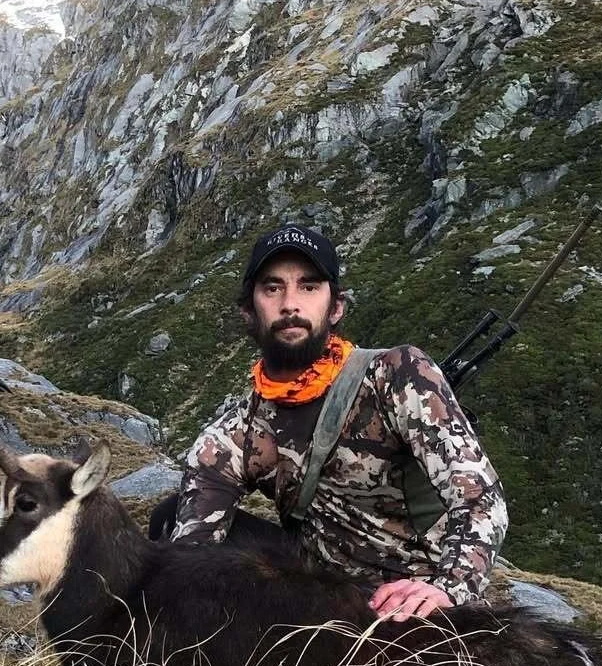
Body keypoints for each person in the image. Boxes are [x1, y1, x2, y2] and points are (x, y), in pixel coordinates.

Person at [153, 224, 508, 621]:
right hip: (321, 591)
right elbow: (192, 552)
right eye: (272, 288)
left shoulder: (398, 375)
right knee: (168, 521)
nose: (290, 304)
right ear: (248, 311)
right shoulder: (233, 437)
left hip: (413, 591)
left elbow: (480, 499)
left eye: (308, 287)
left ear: (335, 307)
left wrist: (447, 587)